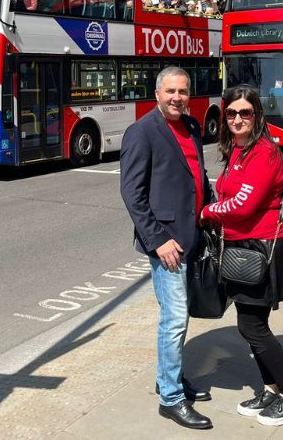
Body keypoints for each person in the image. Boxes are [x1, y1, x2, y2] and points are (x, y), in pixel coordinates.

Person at [200, 85, 283, 428]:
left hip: (261, 248)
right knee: (251, 324)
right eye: (231, 113)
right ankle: (272, 388)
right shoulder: (238, 151)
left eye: (245, 113)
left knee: (252, 325)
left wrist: (207, 212)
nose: (237, 119)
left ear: (257, 115)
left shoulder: (264, 153)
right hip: (240, 247)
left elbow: (243, 206)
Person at [119, 66, 213, 430]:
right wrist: (158, 240)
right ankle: (171, 398)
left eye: (183, 91)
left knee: (179, 315)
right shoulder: (141, 132)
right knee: (174, 320)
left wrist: (209, 210)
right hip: (167, 244)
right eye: (171, 91)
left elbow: (196, 176)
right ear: (157, 93)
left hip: (192, 235)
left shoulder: (190, 126)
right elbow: (132, 193)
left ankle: (167, 378)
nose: (178, 98)